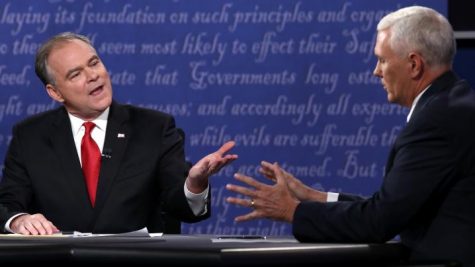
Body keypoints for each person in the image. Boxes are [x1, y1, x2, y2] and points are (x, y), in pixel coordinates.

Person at [226, 6, 475, 266]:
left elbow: (379, 221)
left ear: (414, 64)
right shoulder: (452, 104)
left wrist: (292, 211)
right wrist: (313, 197)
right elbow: (393, 206)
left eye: (382, 60)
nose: (376, 71)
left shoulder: (437, 121)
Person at [0, 32, 238, 235]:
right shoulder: (29, 136)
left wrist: (194, 184)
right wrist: (19, 220)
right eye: (76, 74)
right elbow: (7, 205)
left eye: (94, 63)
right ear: (55, 93)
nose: (93, 75)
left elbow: (181, 209)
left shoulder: (154, 128)